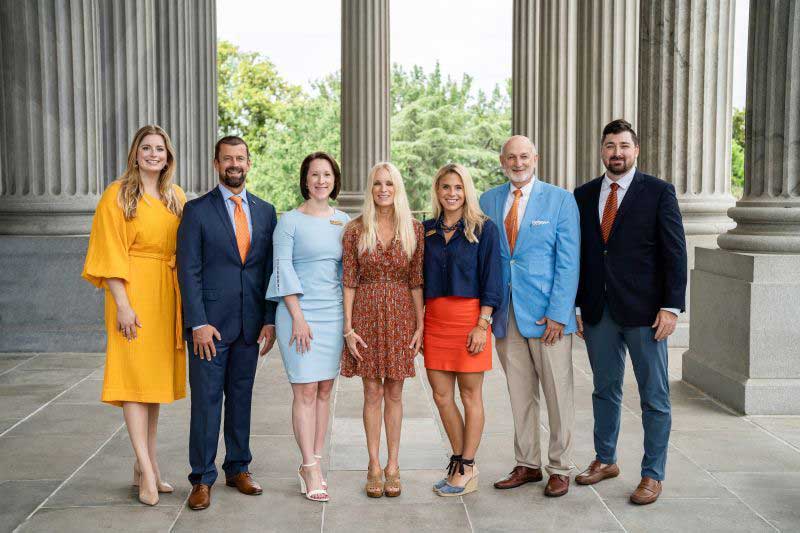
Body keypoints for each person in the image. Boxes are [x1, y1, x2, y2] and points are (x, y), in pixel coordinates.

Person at [573, 119, 687, 505]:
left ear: (636, 150)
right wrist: (576, 305)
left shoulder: (658, 192)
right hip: (598, 311)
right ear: (602, 150)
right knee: (604, 389)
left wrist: (671, 307)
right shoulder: (584, 195)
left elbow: (675, 253)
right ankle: (605, 459)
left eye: (623, 145)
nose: (616, 153)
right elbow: (581, 256)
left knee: (654, 396)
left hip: (646, 313)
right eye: (610, 146)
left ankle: (652, 474)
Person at [82, 125, 186, 506]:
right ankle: (145, 469)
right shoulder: (118, 194)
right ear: (135, 153)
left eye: (160, 148)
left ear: (168, 156)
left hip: (165, 292)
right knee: (133, 381)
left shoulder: (175, 197)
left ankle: (147, 466)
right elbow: (109, 251)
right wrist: (123, 304)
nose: (154, 154)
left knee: (153, 385)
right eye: (147, 148)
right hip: (131, 291)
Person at [177, 136, 278, 511]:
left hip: (250, 325)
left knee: (241, 398)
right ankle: (201, 478)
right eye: (227, 159)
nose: (234, 164)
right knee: (205, 402)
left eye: (240, 158)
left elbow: (269, 270)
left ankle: (238, 467)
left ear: (249, 163)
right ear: (216, 163)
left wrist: (269, 319)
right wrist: (197, 322)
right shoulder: (196, 211)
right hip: (210, 328)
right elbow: (188, 271)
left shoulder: (266, 211)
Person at [479, 135, 581, 498]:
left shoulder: (560, 200)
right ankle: (527, 463)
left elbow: (569, 263)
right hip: (507, 315)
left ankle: (560, 466)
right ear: (502, 161)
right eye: (511, 157)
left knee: (557, 394)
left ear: (535, 159)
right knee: (520, 394)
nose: (517, 163)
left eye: (524, 156)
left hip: (546, 317)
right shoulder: (488, 200)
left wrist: (559, 313)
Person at [266, 151, 349, 503]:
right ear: (305, 179)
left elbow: (348, 274)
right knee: (305, 391)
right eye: (314, 175)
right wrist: (297, 317)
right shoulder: (289, 221)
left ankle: (314, 460)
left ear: (334, 180)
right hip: (297, 312)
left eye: (326, 175)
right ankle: (309, 465)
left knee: (326, 390)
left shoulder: (344, 220)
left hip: (333, 315)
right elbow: (283, 267)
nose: (320, 181)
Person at [340, 162, 424, 499]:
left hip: (402, 314)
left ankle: (394, 465)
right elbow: (348, 281)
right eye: (377, 183)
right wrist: (348, 327)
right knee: (371, 391)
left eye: (389, 183)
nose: (383, 189)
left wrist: (420, 325)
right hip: (366, 314)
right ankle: (374, 464)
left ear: (398, 188)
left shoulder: (414, 229)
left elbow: (417, 280)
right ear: (370, 189)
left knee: (395, 392)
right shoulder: (355, 230)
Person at [423, 164, 502, 497]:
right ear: (437, 191)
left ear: (466, 190)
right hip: (435, 322)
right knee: (442, 397)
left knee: (470, 396)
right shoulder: (425, 230)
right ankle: (460, 462)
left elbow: (494, 279)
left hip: (470, 321)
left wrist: (482, 324)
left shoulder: (485, 229)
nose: (452, 193)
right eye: (445, 187)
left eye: (458, 187)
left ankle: (467, 466)